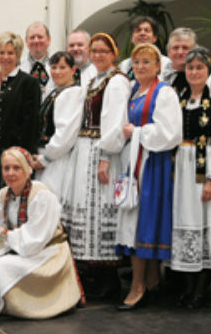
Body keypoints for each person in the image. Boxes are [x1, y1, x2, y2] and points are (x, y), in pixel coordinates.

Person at [0, 147, 81, 322]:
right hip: (19, 246)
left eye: (16, 168)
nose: (10, 173)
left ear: (27, 170)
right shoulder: (4, 194)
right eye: (6, 168)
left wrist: (0, 233)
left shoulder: (42, 196)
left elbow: (34, 240)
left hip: (46, 253)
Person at [63, 33, 130, 299]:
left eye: (104, 51)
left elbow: (115, 122)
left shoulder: (116, 82)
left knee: (100, 211)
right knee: (87, 211)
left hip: (102, 153)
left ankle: (108, 277)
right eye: (95, 51)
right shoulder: (93, 80)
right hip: (85, 149)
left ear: (114, 55)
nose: (99, 55)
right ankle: (91, 272)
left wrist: (105, 156)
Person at [115, 44, 182, 310]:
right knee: (134, 219)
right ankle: (152, 280)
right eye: (137, 62)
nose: (141, 67)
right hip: (134, 160)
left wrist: (138, 132)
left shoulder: (164, 93)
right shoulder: (133, 90)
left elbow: (171, 133)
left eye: (147, 62)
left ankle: (138, 285)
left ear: (158, 66)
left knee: (141, 223)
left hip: (153, 163)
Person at [170, 47, 211, 309]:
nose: (194, 72)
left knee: (201, 222)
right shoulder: (180, 99)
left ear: (208, 71)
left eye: (200, 68)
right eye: (191, 68)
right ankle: (184, 283)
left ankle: (200, 288)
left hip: (200, 168)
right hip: (180, 167)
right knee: (182, 220)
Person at [0, 32, 41, 205]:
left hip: (16, 155)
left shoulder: (28, 83)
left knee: (16, 199)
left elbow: (31, 123)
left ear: (18, 56)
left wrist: (24, 156)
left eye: (10, 53)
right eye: (1, 53)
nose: (5, 57)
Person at [32, 51, 85, 200]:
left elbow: (65, 133)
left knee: (52, 199)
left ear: (73, 70)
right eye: (54, 67)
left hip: (59, 159)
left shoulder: (73, 93)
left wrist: (46, 158)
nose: (57, 72)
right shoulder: (54, 92)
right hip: (45, 155)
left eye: (62, 68)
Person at [161, 27, 211, 97]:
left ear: (195, 51)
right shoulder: (159, 74)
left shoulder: (208, 77)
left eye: (185, 48)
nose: (180, 52)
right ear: (168, 51)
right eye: (175, 48)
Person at [118, 16, 172, 80]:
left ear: (155, 38)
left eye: (147, 30)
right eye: (138, 30)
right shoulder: (124, 65)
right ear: (132, 38)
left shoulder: (166, 63)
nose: (142, 33)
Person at [19, 21, 54, 99]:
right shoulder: (17, 66)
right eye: (32, 37)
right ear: (26, 41)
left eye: (40, 37)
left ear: (49, 40)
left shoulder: (58, 65)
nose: (36, 40)